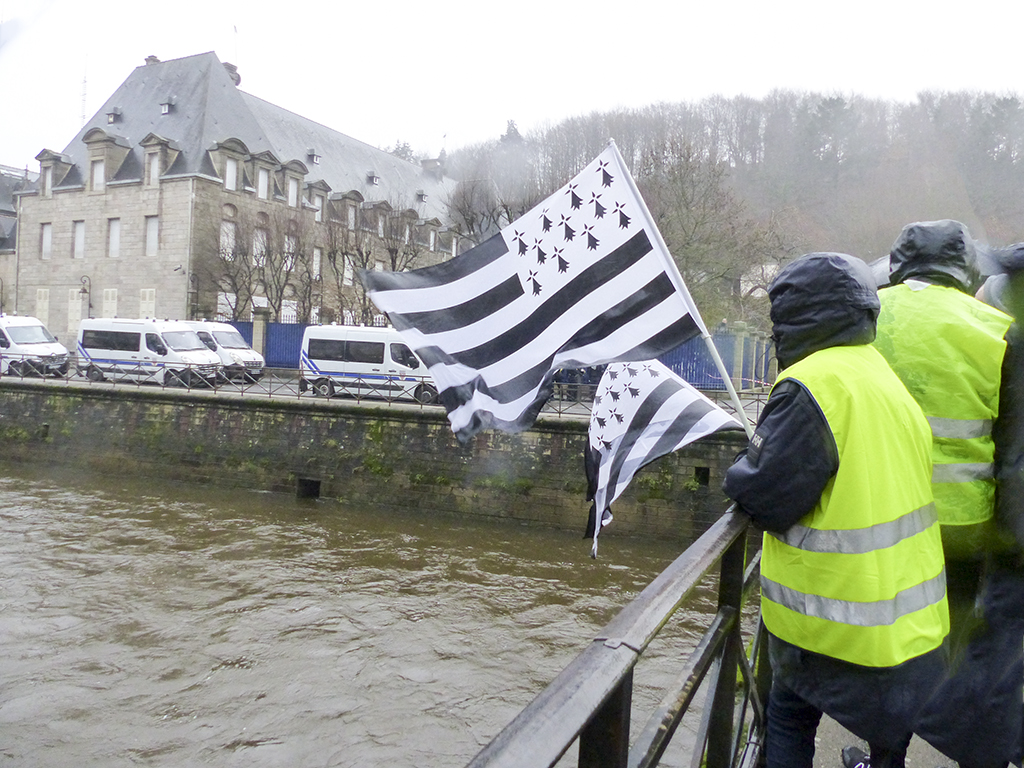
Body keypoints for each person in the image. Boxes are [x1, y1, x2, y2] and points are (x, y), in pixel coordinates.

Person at [724, 252, 949, 768]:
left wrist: (746, 462)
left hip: (834, 623)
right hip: (907, 617)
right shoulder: (881, 376)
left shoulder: (813, 386)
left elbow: (764, 494)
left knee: (787, 715)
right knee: (891, 734)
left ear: (795, 319)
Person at [867, 221, 1022, 768]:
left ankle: (886, 759)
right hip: (963, 528)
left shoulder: (870, 315)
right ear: (962, 268)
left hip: (881, 517)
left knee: (893, 648)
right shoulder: (994, 327)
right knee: (952, 649)